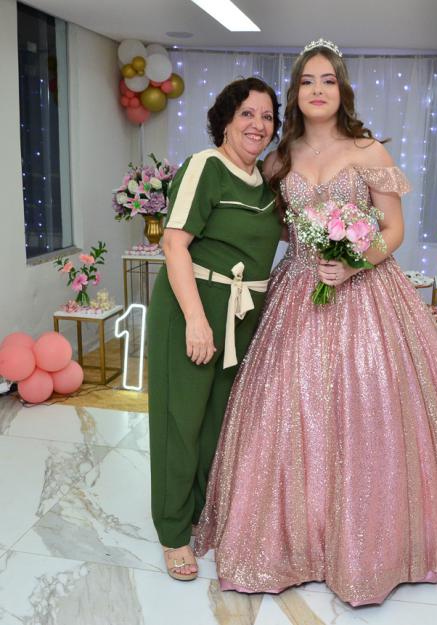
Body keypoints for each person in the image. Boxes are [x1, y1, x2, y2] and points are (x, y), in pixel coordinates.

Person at [193, 40, 437, 605]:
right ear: (295, 92)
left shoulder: (367, 150)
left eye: (327, 80)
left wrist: (354, 261)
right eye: (307, 81)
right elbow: (264, 226)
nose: (317, 90)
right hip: (297, 291)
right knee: (288, 410)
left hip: (366, 291)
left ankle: (369, 545)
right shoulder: (278, 159)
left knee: (372, 409)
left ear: (341, 89)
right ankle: (290, 542)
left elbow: (394, 229)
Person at [147, 77, 282, 582]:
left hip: (240, 316)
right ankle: (172, 532)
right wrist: (196, 321)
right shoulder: (206, 166)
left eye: (267, 116)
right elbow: (174, 244)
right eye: (247, 113)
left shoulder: (265, 183)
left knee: (215, 426)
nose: (257, 125)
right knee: (179, 422)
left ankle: (200, 514)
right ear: (225, 120)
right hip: (194, 308)